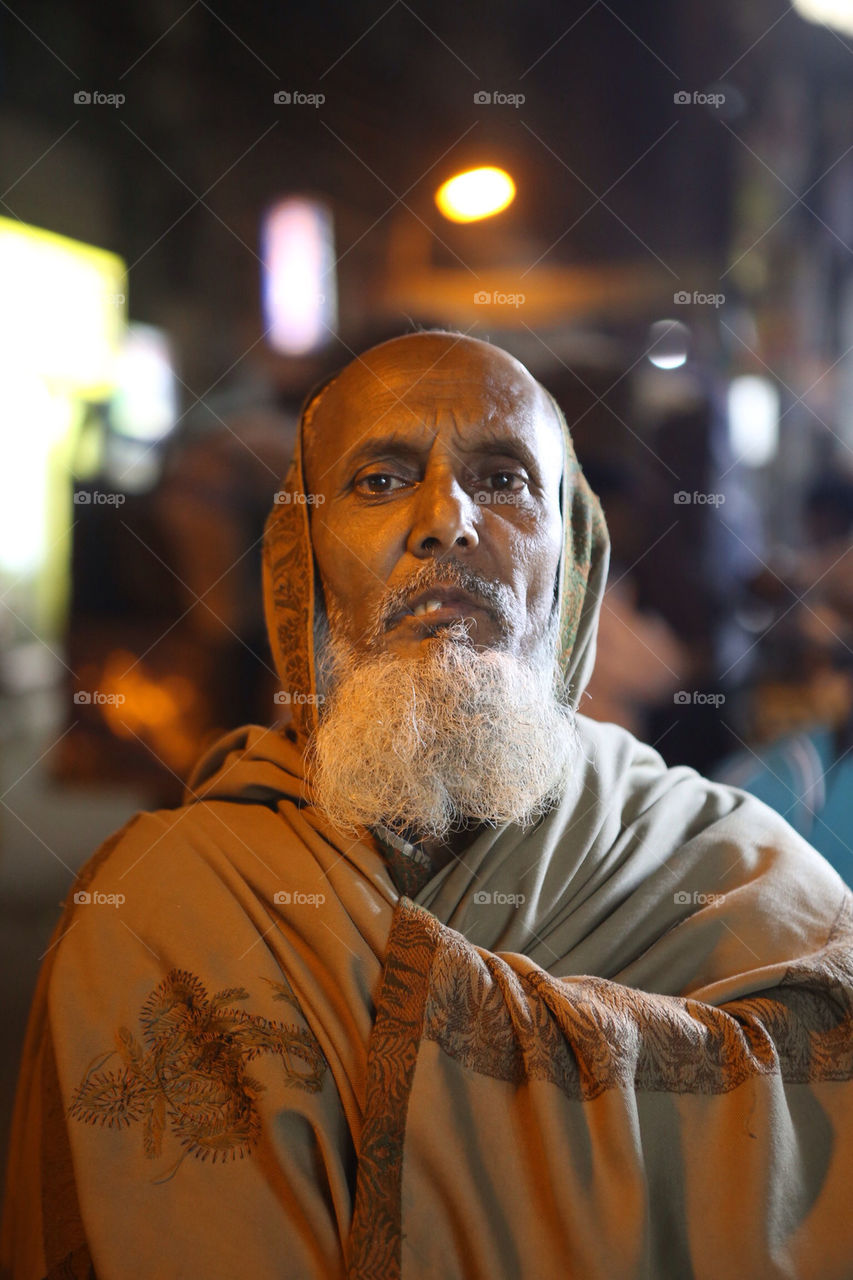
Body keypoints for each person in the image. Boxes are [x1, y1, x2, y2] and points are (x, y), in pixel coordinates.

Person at [2, 331, 853, 1280]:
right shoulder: (170, 907)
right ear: (304, 566)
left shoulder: (739, 874)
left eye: (502, 480)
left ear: (570, 560)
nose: (447, 518)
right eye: (378, 480)